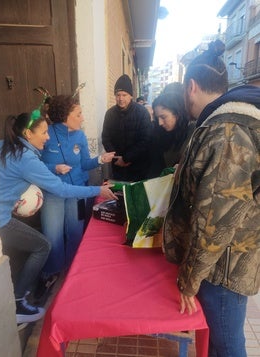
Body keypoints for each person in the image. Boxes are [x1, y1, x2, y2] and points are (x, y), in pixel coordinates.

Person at [163, 39, 260, 357]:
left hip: (223, 266)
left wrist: (190, 278)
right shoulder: (226, 123)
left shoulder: (227, 132)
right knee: (222, 341)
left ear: (191, 86)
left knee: (227, 343)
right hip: (230, 256)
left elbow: (216, 220)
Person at [0, 111, 116, 324]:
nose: (47, 137)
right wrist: (97, 191)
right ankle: (18, 302)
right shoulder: (26, 158)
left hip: (0, 213)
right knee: (43, 246)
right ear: (28, 134)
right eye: (43, 132)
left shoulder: (2, 145)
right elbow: (61, 189)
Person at [39, 95, 115, 291]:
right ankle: (53, 272)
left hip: (78, 192)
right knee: (52, 236)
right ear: (65, 116)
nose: (83, 118)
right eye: (79, 114)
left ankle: (74, 271)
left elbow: (84, 164)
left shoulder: (80, 136)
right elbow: (35, 165)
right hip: (53, 193)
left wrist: (100, 160)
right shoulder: (46, 134)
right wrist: (53, 168)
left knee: (75, 233)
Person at [102, 74, 153, 182]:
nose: (120, 98)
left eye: (124, 95)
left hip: (138, 166)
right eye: (118, 95)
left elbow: (145, 140)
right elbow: (106, 138)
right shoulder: (110, 114)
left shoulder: (142, 113)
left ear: (131, 95)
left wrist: (127, 158)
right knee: (119, 195)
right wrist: (117, 158)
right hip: (117, 166)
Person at [148, 92, 194, 178]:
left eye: (163, 117)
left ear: (177, 114)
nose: (160, 123)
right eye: (157, 118)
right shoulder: (158, 134)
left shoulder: (192, 133)